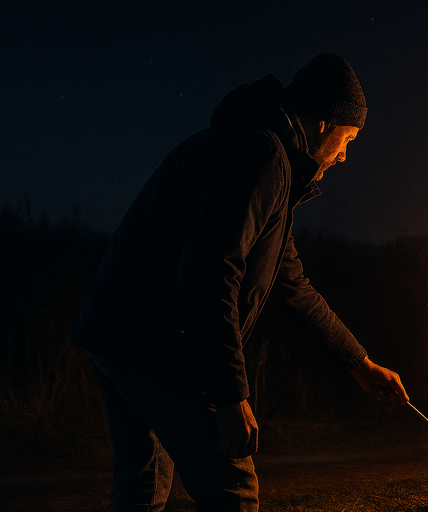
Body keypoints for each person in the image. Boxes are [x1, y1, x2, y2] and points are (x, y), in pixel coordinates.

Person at [71, 53, 409, 512]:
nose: (345, 154)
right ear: (326, 124)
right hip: (151, 344)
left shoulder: (255, 153)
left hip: (115, 333)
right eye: (348, 138)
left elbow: (293, 286)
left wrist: (360, 365)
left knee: (143, 487)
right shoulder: (262, 156)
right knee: (232, 488)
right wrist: (230, 396)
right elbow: (209, 275)